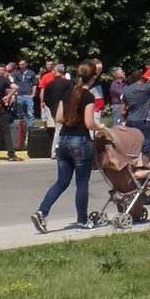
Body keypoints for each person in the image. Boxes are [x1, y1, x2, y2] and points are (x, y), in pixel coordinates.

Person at [31, 61, 102, 234]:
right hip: (80, 141)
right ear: (93, 78)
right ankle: (82, 220)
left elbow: (59, 118)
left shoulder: (67, 92)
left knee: (61, 182)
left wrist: (71, 118)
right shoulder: (88, 96)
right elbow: (89, 123)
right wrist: (101, 128)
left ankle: (42, 211)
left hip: (63, 140)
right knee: (82, 183)